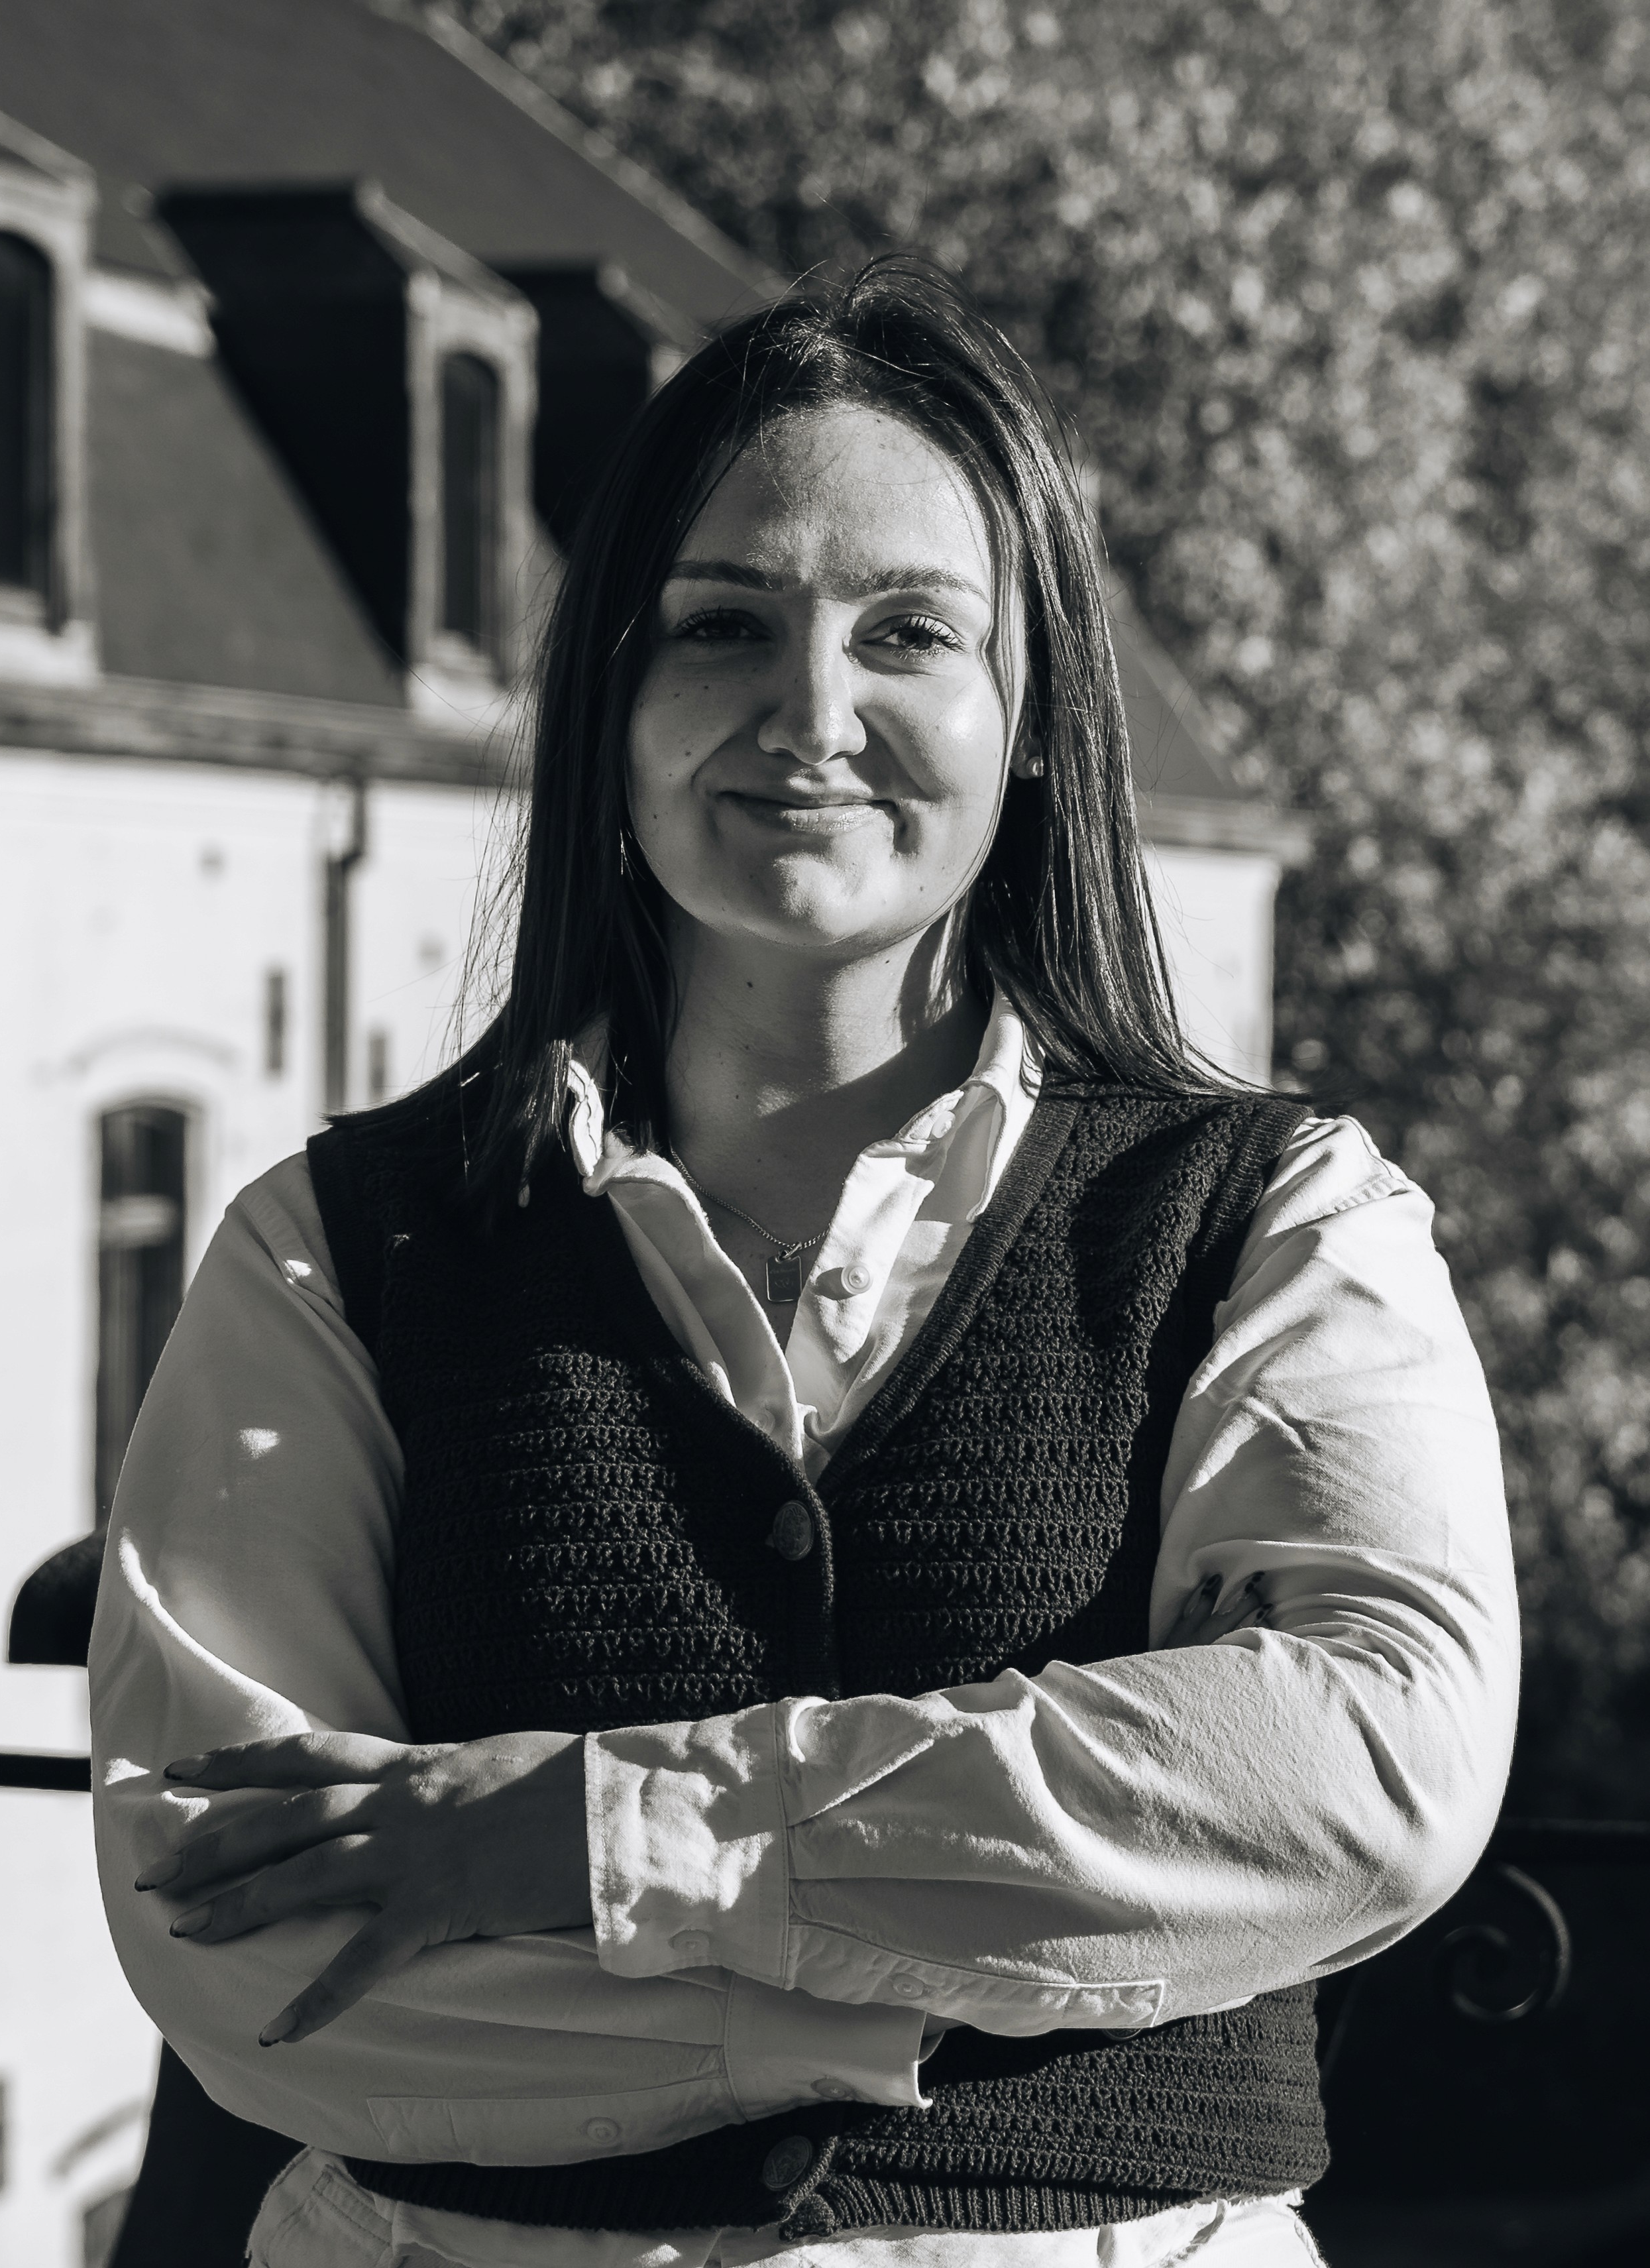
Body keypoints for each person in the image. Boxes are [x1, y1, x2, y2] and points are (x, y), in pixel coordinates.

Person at [89, 260, 1518, 2267]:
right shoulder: (342, 1253)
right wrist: (1017, 1964)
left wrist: (590, 1839)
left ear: (1028, 725)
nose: (809, 714)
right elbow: (237, 1924)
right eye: (724, 627)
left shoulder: (1271, 1223)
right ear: (615, 695)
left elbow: (1372, 1764)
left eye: (910, 633)